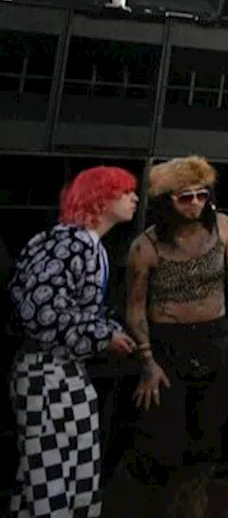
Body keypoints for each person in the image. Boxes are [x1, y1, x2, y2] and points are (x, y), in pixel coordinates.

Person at [112, 156, 228, 517]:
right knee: (162, 446)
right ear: (166, 200)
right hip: (167, 345)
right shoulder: (146, 246)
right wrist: (147, 362)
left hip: (214, 339)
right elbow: (136, 308)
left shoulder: (223, 227)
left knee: (207, 441)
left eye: (202, 195)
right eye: (185, 197)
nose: (195, 204)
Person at [9, 167, 139, 517]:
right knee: (51, 480)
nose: (134, 198)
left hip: (63, 373)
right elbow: (40, 310)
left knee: (72, 474)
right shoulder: (67, 242)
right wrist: (102, 335)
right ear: (101, 198)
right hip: (47, 374)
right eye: (125, 192)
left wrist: (105, 331)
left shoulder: (83, 244)